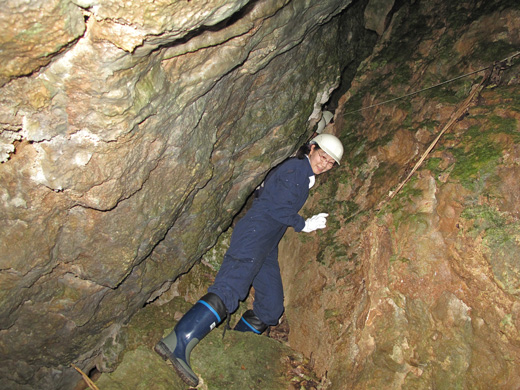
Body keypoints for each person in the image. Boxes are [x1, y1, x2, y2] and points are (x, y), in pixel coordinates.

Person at [154, 133, 344, 386]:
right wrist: (303, 224)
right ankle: (177, 343)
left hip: (267, 244)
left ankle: (234, 343)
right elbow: (276, 205)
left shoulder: (304, 175)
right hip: (255, 232)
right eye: (323, 157)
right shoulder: (295, 169)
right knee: (232, 286)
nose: (325, 164)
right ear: (311, 148)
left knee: (271, 308)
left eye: (331, 162)